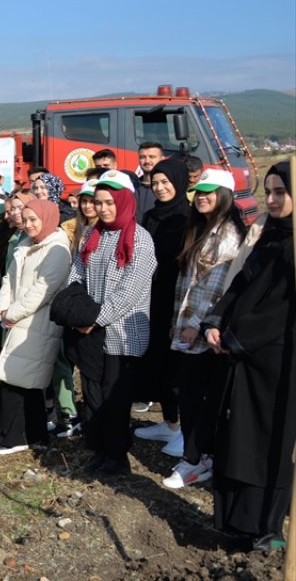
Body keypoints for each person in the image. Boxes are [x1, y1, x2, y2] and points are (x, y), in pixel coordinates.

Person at [201, 162, 293, 550]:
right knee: (238, 440)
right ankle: (237, 522)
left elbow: (281, 310)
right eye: (267, 191)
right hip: (243, 361)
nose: (270, 199)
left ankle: (267, 527)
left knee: (267, 446)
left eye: (280, 192)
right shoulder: (268, 236)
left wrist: (237, 339)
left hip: (277, 365)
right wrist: (215, 320)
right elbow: (240, 284)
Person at [65, 170, 158, 476]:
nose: (103, 208)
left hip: (121, 333)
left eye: (108, 202)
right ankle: (99, 448)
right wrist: (78, 311)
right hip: (90, 330)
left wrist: (95, 319)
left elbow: (129, 292)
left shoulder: (140, 240)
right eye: (98, 202)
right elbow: (77, 273)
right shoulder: (95, 235)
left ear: (123, 201)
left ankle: (117, 456)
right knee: (93, 392)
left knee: (115, 399)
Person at [160, 169, 244, 489]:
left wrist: (196, 324)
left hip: (205, 332)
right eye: (199, 192)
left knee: (195, 394)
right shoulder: (202, 230)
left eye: (210, 192)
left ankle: (197, 459)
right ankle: (198, 454)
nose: (201, 197)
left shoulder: (227, 235)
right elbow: (188, 283)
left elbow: (220, 287)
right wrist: (177, 323)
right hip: (187, 328)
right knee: (188, 391)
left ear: (225, 195)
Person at [0, 200, 71, 454]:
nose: (29, 224)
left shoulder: (57, 249)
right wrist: (2, 308)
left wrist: (12, 313)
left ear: (47, 218)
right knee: (28, 380)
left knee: (16, 378)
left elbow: (41, 292)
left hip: (39, 322)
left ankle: (14, 436)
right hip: (18, 320)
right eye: (26, 219)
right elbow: (8, 280)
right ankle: (34, 435)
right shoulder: (25, 245)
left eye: (34, 219)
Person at [132, 158, 192, 455]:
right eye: (155, 183)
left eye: (165, 182)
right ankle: (169, 422)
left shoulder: (187, 216)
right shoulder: (152, 215)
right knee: (156, 359)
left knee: (175, 364)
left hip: (174, 299)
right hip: (150, 296)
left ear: (179, 182)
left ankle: (183, 428)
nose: (160, 188)